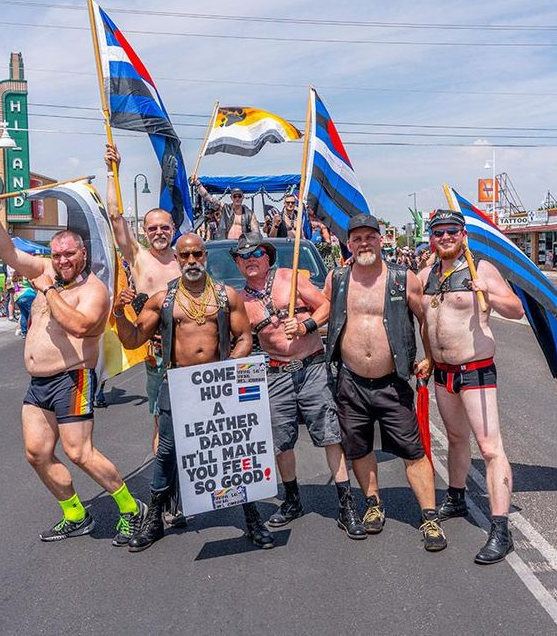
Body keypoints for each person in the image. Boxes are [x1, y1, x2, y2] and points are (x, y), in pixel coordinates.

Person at [0, 191, 146, 546]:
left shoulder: (94, 290)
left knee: (78, 452)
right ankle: (75, 514)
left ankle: (132, 509)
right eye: (56, 255)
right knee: (36, 453)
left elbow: (81, 327)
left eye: (69, 254)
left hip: (73, 379)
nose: (62, 260)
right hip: (38, 384)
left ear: (83, 254)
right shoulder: (43, 271)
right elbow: (8, 253)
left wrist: (51, 290)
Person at [114, 233, 273, 551]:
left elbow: (244, 337)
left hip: (219, 387)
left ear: (205, 257)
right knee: (167, 453)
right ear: (176, 258)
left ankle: (252, 518)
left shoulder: (227, 297)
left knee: (233, 452)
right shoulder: (163, 300)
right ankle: (155, 519)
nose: (191, 261)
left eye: (196, 255)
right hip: (179, 387)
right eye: (184, 256)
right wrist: (119, 313)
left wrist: (227, 369)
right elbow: (133, 340)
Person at [323, 213, 447, 552]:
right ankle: (373, 504)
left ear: (381, 240)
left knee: (413, 450)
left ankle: (430, 517)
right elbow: (322, 314)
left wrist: (430, 358)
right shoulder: (338, 279)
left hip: (392, 382)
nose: (364, 243)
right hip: (350, 381)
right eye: (357, 238)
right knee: (359, 448)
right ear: (348, 244)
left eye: (370, 237)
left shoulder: (401, 278)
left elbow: (425, 319)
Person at [230, 232, 365, 538]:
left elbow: (328, 306)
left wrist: (306, 325)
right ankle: (292, 500)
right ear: (237, 263)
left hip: (312, 367)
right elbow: (236, 339)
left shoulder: (290, 278)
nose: (251, 260)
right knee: (281, 440)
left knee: (330, 434)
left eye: (256, 254)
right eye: (243, 256)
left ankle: (347, 505)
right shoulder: (241, 300)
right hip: (275, 374)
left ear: (268, 257)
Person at [418, 210, 525, 564]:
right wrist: (429, 358)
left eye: (451, 231)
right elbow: (427, 323)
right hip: (442, 373)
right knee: (455, 440)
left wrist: (489, 295)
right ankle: (457, 495)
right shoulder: (428, 274)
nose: (445, 237)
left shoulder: (481, 269)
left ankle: (500, 529)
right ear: (431, 236)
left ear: (463, 234)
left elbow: (516, 309)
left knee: (491, 448)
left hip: (475, 370)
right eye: (438, 232)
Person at [104, 144, 181, 452]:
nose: (159, 232)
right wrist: (113, 171)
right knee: (160, 420)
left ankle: (189, 486)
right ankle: (163, 488)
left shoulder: (188, 260)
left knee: (193, 418)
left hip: (190, 349)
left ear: (174, 229)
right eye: (153, 228)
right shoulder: (138, 257)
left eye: (165, 227)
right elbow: (114, 214)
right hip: (157, 351)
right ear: (145, 232)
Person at [193, 181, 260, 240]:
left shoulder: (249, 214)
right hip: (225, 245)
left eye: (239, 196)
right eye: (235, 196)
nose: (237, 198)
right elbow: (208, 198)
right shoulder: (225, 208)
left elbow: (256, 233)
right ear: (231, 198)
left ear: (243, 197)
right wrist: (198, 184)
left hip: (242, 247)